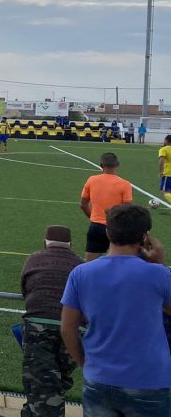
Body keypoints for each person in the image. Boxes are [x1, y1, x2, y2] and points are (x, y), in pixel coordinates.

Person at [61, 204, 171, 415]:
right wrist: (161, 264)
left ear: (107, 232)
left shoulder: (81, 273)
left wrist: (85, 364)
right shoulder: (158, 274)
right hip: (149, 380)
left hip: (99, 377)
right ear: (144, 236)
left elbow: (67, 329)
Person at [20, 225, 83, 417]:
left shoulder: (33, 259)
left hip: (38, 324)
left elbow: (25, 289)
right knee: (57, 381)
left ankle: (37, 411)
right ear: (70, 244)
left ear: (45, 242)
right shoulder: (80, 264)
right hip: (73, 329)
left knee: (41, 382)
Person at [80, 152, 133, 261]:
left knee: (89, 262)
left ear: (101, 165)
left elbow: (83, 204)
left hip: (96, 226)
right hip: (116, 228)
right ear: (117, 164)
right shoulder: (125, 184)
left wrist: (92, 217)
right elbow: (128, 210)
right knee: (117, 262)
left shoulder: (92, 180)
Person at [159, 135, 171, 204]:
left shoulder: (164, 149)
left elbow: (161, 161)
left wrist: (161, 171)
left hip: (168, 173)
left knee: (165, 191)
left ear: (166, 140)